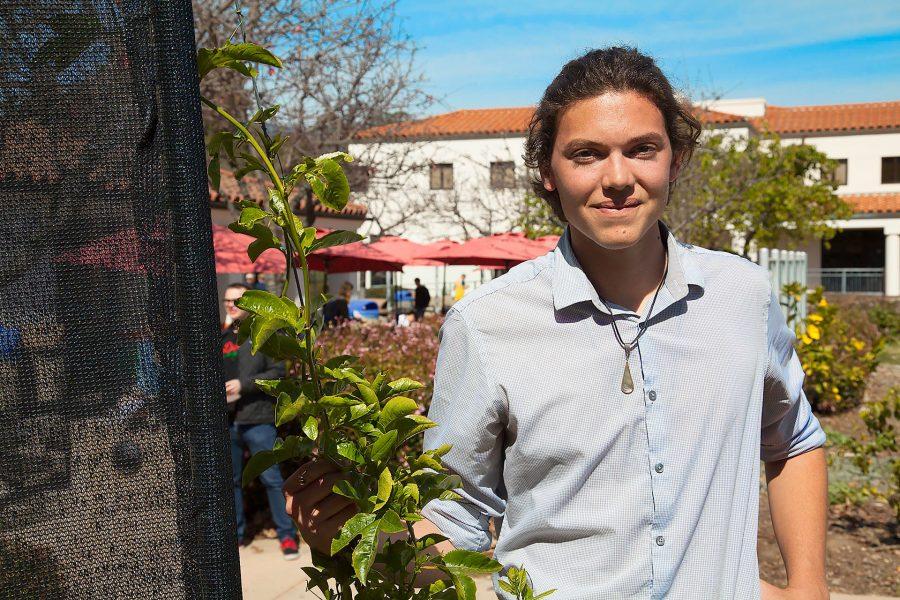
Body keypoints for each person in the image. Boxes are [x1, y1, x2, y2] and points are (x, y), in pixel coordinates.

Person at [283, 47, 828, 599]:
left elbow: (794, 438)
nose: (618, 178)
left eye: (642, 149)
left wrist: (809, 587)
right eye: (586, 154)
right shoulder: (486, 324)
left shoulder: (742, 295)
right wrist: (368, 538)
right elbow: (456, 519)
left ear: (676, 158)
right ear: (548, 171)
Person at [221, 283, 299, 560]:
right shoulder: (222, 336)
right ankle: (238, 535)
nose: (231, 305)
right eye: (227, 301)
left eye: (237, 301)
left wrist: (243, 386)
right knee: (229, 482)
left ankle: (287, 536)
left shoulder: (265, 334)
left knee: (272, 479)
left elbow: (278, 373)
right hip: (228, 421)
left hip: (259, 418)